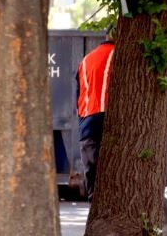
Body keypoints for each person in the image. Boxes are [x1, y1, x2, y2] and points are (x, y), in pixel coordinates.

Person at [76, 25, 115, 201]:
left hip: (86, 117)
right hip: (109, 115)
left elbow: (79, 92)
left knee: (91, 164)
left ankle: (93, 202)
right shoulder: (121, 56)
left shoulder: (86, 59)